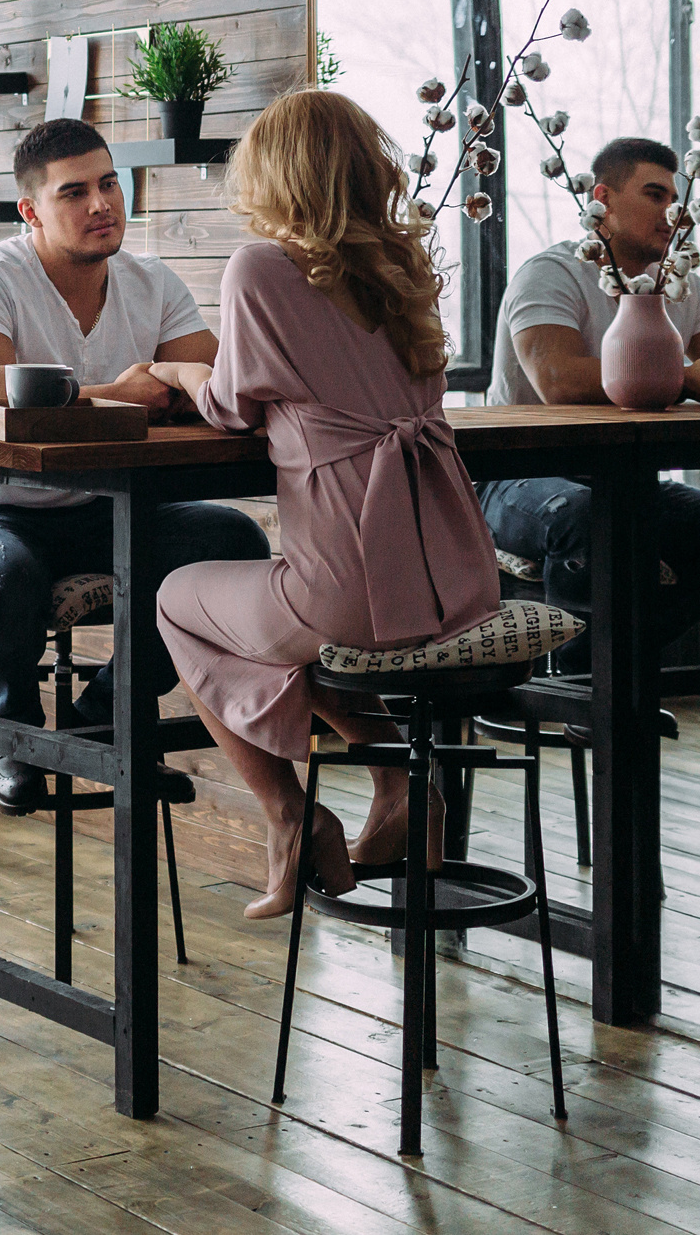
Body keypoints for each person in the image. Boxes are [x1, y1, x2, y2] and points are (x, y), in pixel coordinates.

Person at [142, 90, 503, 919]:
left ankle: (290, 817)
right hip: (455, 579)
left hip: (354, 594)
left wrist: (179, 373)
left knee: (178, 599)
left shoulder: (263, 267)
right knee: (302, 630)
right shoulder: (403, 270)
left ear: (278, 173)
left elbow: (231, 405)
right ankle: (403, 785)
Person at [0, 117, 271, 809]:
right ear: (31, 211)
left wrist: (177, 383)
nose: (101, 204)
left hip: (104, 508)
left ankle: (101, 715)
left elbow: (213, 377)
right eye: (74, 192)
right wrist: (116, 394)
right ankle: (15, 739)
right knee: (3, 572)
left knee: (233, 543)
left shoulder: (151, 281)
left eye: (109, 184)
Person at [479, 136, 700, 663]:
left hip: (626, 480)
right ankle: (588, 694)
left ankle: (617, 672)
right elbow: (559, 381)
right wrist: (685, 379)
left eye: (678, 199)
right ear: (602, 200)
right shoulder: (552, 273)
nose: (673, 212)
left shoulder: (684, 286)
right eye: (656, 195)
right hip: (514, 477)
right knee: (585, 518)